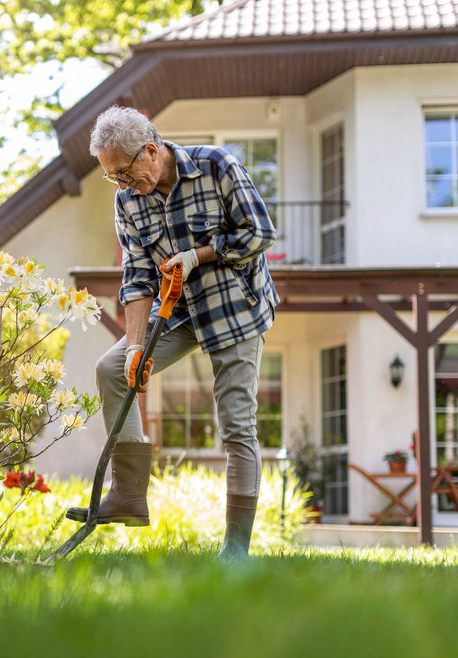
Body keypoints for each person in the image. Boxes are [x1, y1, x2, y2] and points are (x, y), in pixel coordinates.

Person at [65, 105, 280, 559]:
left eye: (124, 174)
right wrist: (137, 346)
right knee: (112, 368)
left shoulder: (215, 165)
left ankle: (236, 551)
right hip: (178, 311)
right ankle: (128, 495)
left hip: (234, 307)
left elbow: (260, 233)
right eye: (112, 178)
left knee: (237, 427)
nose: (122, 186)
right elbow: (138, 277)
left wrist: (200, 255)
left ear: (150, 150)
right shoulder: (128, 201)